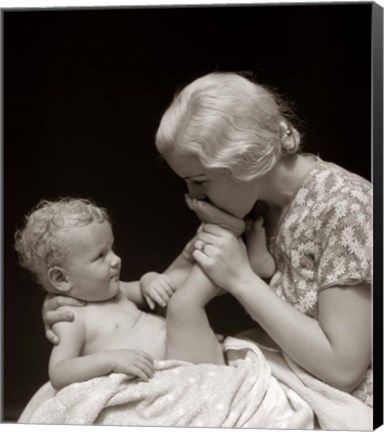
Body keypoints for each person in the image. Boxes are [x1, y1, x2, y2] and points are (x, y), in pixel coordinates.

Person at [42, 71, 372, 407]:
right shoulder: (252, 203)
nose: (192, 196)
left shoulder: (345, 206)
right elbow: (169, 292)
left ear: (244, 161)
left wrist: (242, 279)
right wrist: (81, 303)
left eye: (200, 180)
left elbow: (344, 370)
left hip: (338, 395)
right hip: (276, 365)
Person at [16, 196, 276, 389]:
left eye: (112, 249)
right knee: (182, 305)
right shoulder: (71, 317)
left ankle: (241, 259)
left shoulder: (114, 291)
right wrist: (110, 360)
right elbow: (60, 372)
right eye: (100, 256)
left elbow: (142, 288)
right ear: (61, 278)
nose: (116, 260)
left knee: (167, 286)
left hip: (190, 350)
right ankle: (236, 251)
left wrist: (150, 280)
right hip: (182, 371)